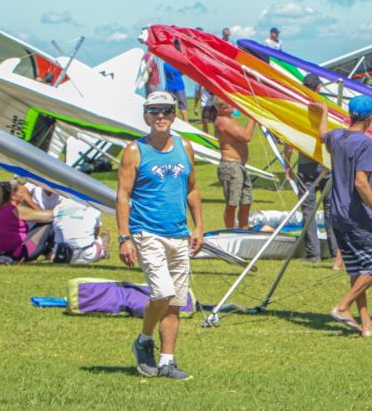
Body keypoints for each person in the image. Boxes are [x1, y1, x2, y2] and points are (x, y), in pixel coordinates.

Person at [117, 91, 204, 380]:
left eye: (166, 110)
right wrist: (123, 237)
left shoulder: (185, 146)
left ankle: (167, 361)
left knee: (176, 302)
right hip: (146, 232)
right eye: (154, 111)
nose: (160, 116)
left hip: (178, 233)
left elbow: (192, 188)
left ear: (175, 114)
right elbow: (123, 195)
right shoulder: (134, 150)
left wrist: (199, 226)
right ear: (145, 115)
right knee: (162, 292)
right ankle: (144, 340)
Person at [312, 94, 372, 337]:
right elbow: (361, 182)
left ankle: (367, 324)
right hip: (358, 215)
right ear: (370, 117)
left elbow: (322, 135)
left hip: (337, 214)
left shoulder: (337, 137)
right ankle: (342, 306)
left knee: (358, 269)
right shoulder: (365, 144)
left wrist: (324, 113)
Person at [283, 74, 340, 266]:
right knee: (330, 210)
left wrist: (287, 162)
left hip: (307, 164)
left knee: (308, 209)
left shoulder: (299, 108)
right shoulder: (328, 109)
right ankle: (333, 252)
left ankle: (314, 253)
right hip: (325, 163)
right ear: (319, 88)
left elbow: (289, 138)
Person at [213, 96, 257, 229]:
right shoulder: (223, 121)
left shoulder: (229, 119)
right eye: (230, 104)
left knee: (246, 200)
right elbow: (245, 136)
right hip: (231, 166)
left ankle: (244, 227)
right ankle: (230, 230)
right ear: (224, 108)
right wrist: (253, 118)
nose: (234, 106)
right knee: (232, 203)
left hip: (239, 166)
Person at [0, 178, 55, 262]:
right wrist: (63, 210)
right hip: (19, 253)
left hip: (5, 252)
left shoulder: (0, 208)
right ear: (13, 196)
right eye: (21, 192)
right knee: (50, 223)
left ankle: (50, 254)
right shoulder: (16, 210)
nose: (23, 195)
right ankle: (63, 252)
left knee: (40, 226)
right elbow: (48, 216)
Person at [52, 198, 108, 264]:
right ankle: (102, 251)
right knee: (98, 240)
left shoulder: (58, 207)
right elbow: (96, 232)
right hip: (86, 254)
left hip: (60, 253)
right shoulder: (94, 207)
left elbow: (56, 229)